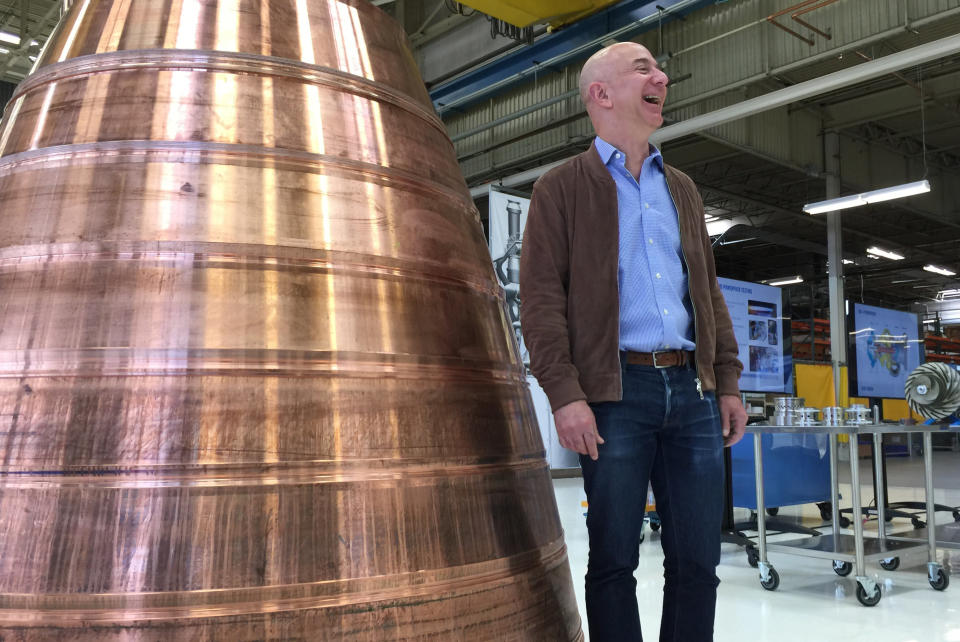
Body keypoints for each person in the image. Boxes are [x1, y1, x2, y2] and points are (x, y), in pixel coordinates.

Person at [519, 41, 748, 642]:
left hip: (692, 392)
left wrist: (726, 379)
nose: (661, 76)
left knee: (699, 562)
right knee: (614, 561)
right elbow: (541, 303)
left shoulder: (684, 189)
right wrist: (565, 395)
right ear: (602, 94)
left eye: (659, 68)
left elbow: (707, 292)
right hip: (614, 395)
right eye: (643, 68)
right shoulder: (560, 189)